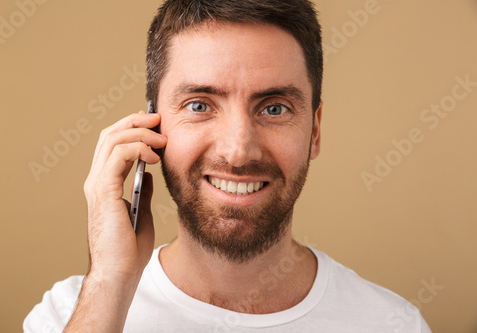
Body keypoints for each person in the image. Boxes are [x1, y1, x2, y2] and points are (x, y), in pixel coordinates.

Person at [24, 0, 432, 332]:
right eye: (199, 105)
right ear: (150, 123)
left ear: (315, 131)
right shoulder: (69, 314)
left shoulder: (393, 324)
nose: (238, 152)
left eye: (274, 108)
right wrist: (110, 283)